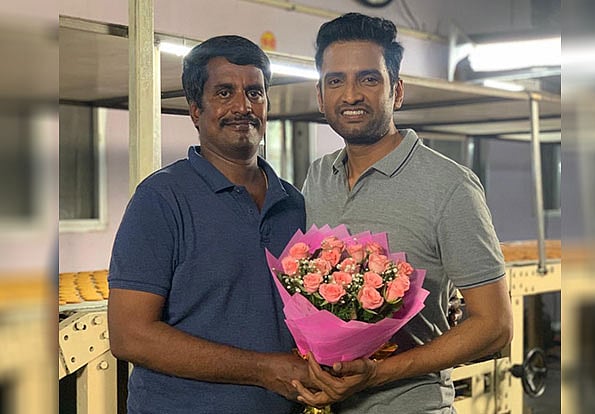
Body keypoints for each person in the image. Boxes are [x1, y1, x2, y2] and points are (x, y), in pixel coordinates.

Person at [295, 13, 513, 413]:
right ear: (321, 96)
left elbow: (495, 326)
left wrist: (379, 373)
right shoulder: (319, 175)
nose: (351, 95)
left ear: (396, 91)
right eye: (336, 81)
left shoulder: (450, 185)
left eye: (368, 79)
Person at [107, 35, 312, 413]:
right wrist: (264, 370)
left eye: (254, 92)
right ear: (195, 110)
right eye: (224, 92)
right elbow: (129, 335)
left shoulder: (293, 204)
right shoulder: (161, 199)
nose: (243, 106)